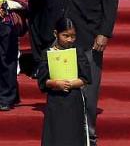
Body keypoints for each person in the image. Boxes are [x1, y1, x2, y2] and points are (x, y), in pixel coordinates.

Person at [18, 0, 118, 145]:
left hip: (88, 33)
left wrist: (104, 32)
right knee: (61, 93)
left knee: (88, 91)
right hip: (59, 36)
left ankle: (89, 137)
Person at [37, 18, 91, 146]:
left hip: (74, 100)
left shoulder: (78, 52)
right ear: (56, 34)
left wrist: (71, 84)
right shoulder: (47, 53)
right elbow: (43, 81)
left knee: (74, 133)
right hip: (55, 100)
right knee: (55, 133)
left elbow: (85, 78)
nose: (69, 40)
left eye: (73, 36)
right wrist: (56, 84)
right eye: (65, 35)